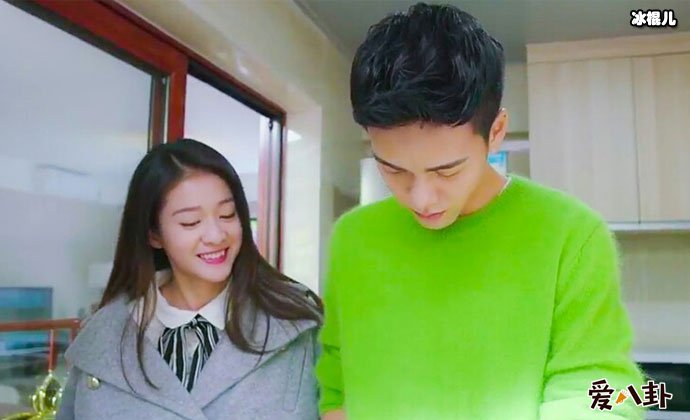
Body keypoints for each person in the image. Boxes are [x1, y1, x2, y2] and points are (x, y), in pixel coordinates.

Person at [315, 3, 644, 419]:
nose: (421, 199)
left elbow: (601, 389)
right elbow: (336, 380)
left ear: (496, 132)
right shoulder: (353, 237)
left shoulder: (571, 235)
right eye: (393, 169)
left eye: (446, 170)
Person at [56, 138, 322, 420]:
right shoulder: (103, 338)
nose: (216, 235)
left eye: (227, 214)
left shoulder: (296, 322)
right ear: (154, 234)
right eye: (191, 222)